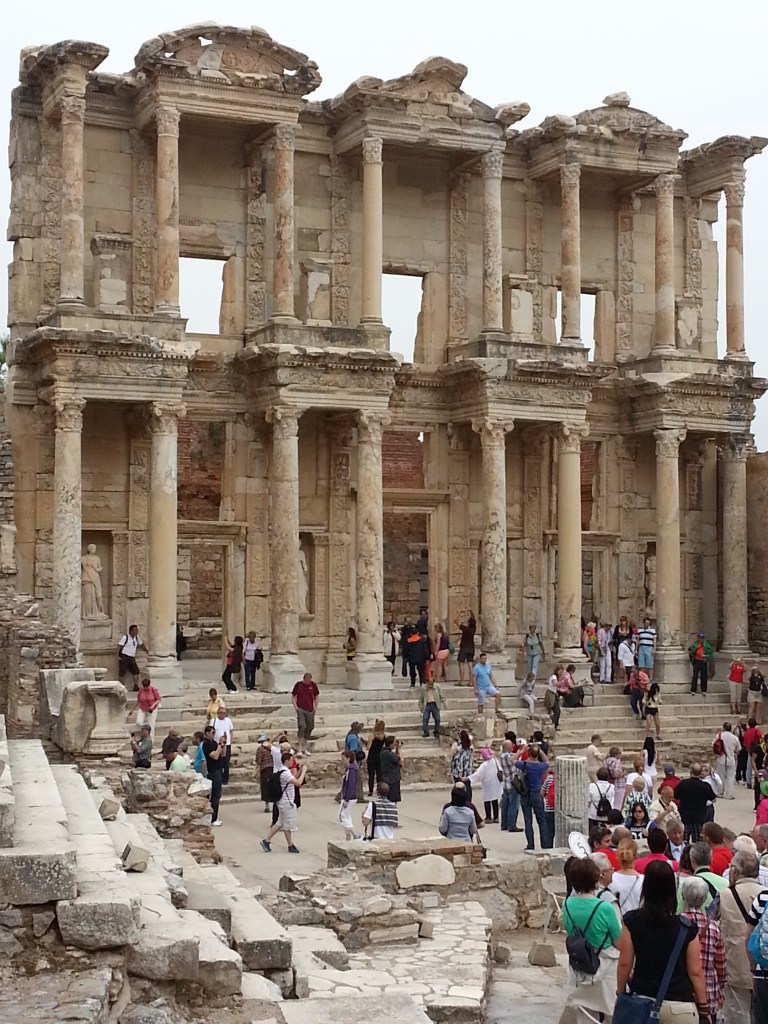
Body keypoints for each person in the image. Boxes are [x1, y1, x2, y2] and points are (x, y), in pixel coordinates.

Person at [618, 861, 708, 1024]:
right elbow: (695, 971)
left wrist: (620, 992)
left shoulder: (632, 921)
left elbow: (625, 963)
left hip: (643, 1002)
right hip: (679, 1006)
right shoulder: (686, 928)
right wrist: (703, 1006)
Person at [562, 857, 622, 1024]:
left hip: (581, 965)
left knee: (585, 1015)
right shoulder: (605, 908)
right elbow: (619, 942)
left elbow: (570, 931)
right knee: (612, 1013)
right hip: (606, 965)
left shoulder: (566, 904)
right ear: (596, 879)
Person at [717, 850, 765, 1024]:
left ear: (735, 871)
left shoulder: (724, 895)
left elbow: (709, 922)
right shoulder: (765, 894)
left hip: (734, 963)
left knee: (737, 1013)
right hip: (762, 964)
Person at [679, 876, 726, 1023]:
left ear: (683, 896)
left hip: (681, 992)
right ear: (705, 898)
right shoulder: (713, 928)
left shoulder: (676, 924)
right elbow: (721, 965)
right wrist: (721, 988)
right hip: (708, 991)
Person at [260, 750, 307, 854]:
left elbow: (294, 778)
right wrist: (303, 772)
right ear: (286, 761)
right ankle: (290, 845)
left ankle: (266, 841)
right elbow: (298, 783)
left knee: (279, 823)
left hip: (282, 802)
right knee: (287, 825)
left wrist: (299, 771)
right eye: (291, 760)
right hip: (287, 803)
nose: (292, 762)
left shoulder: (282, 771)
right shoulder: (285, 774)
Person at [513, 742, 550, 851]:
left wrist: (521, 751)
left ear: (528, 754)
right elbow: (547, 761)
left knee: (528, 820)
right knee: (542, 821)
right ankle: (545, 844)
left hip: (525, 794)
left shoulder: (525, 765)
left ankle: (530, 844)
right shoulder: (541, 766)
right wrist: (540, 750)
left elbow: (513, 760)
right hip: (537, 794)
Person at [673, 763, 715, 844]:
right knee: (698, 843)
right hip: (699, 818)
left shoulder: (683, 783)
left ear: (690, 772)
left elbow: (675, 797)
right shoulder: (705, 786)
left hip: (684, 817)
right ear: (700, 773)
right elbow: (713, 799)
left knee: (683, 842)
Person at [682, 842, 728, 911]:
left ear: (692, 860)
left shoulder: (685, 885)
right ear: (711, 859)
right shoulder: (726, 884)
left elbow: (680, 912)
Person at [466, 747, 503, 824]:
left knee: (487, 800)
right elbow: (500, 769)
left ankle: (488, 817)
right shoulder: (495, 761)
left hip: (487, 784)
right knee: (494, 799)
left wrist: (468, 778)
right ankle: (496, 817)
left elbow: (478, 774)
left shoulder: (484, 765)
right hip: (495, 783)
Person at [609, 838, 643, 916]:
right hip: (637, 923)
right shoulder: (643, 880)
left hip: (617, 922)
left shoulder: (610, 879)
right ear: (635, 856)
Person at [201, 724, 227, 827]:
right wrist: (220, 745)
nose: (214, 734)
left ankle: (214, 816)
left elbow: (222, 754)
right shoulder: (206, 744)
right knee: (215, 795)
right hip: (213, 771)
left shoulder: (214, 742)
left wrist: (223, 744)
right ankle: (213, 818)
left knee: (217, 794)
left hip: (219, 769)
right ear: (207, 733)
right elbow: (215, 756)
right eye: (212, 733)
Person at [291, 672, 319, 756]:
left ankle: (304, 746)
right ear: (304, 679)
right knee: (302, 726)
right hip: (301, 709)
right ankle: (299, 747)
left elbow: (317, 696)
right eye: (307, 680)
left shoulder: (313, 685)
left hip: (310, 709)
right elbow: (293, 696)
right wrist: (296, 707)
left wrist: (315, 707)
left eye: (309, 680)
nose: (308, 681)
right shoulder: (298, 685)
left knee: (310, 727)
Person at [499, 739, 523, 834]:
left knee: (505, 805)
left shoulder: (501, 755)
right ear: (508, 747)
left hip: (506, 783)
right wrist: (521, 751)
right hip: (513, 783)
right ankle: (511, 825)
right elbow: (515, 759)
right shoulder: (509, 756)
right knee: (513, 805)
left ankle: (504, 824)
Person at [713, 721, 741, 799]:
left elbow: (714, 745)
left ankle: (720, 792)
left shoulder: (719, 736)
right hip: (731, 759)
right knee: (730, 777)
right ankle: (729, 794)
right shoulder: (734, 738)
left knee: (720, 776)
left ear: (723, 728)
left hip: (721, 758)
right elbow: (739, 749)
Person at [117, 625, 147, 691]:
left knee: (136, 671)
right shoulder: (125, 637)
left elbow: (141, 644)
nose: (136, 631)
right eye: (135, 630)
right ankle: (121, 687)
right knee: (122, 672)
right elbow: (119, 646)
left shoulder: (136, 638)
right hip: (124, 656)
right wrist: (117, 656)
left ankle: (135, 686)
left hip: (132, 657)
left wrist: (146, 650)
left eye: (137, 630)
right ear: (131, 631)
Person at [339, 751, 360, 840]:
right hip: (350, 796)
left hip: (350, 797)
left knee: (342, 816)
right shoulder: (350, 769)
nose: (342, 760)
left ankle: (354, 833)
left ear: (348, 758)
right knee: (347, 815)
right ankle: (348, 836)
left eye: (343, 758)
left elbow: (351, 784)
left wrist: (346, 799)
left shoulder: (351, 770)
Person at [588, 767, 615, 832]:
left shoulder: (592, 786)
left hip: (593, 815)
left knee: (593, 834)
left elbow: (588, 800)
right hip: (607, 816)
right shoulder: (611, 787)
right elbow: (612, 800)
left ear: (597, 776)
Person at [212, 706, 234, 785]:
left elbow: (231, 731)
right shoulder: (214, 721)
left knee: (226, 762)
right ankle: (219, 778)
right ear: (218, 713)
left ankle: (225, 779)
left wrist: (230, 740)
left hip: (227, 744)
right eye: (222, 713)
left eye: (224, 713)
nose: (223, 714)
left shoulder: (228, 720)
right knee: (218, 762)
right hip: (217, 744)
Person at [688, 631, 713, 695]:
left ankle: (704, 690)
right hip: (696, 661)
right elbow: (690, 651)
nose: (701, 639)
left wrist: (706, 656)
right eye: (700, 638)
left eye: (702, 638)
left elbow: (710, 653)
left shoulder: (706, 644)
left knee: (704, 676)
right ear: (698, 638)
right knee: (695, 676)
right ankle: (693, 690)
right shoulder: (695, 644)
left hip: (703, 661)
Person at [380, 735, 402, 805]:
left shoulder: (384, 752)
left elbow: (395, 758)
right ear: (390, 744)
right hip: (392, 779)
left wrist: (396, 750)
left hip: (387, 778)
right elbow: (399, 759)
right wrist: (399, 749)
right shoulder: (388, 754)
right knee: (392, 800)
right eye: (394, 743)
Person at [456, 610, 476, 685]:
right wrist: (470, 611)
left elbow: (456, 621)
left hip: (464, 647)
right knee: (470, 665)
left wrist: (460, 613)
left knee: (461, 663)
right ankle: (471, 682)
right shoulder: (473, 629)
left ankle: (462, 681)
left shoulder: (465, 629)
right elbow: (473, 619)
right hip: (471, 647)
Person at [604, 746, 626, 811]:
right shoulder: (616, 762)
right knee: (618, 804)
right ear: (616, 754)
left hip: (609, 783)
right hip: (618, 785)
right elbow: (615, 775)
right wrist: (623, 773)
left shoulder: (606, 761)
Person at [367, 720, 385, 796]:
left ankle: (370, 791)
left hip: (372, 756)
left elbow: (368, 747)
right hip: (379, 756)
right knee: (379, 774)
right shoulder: (384, 736)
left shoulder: (372, 735)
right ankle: (379, 790)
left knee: (371, 774)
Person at [255, 733, 273, 813]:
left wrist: (256, 772)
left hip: (264, 769)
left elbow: (258, 761)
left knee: (265, 787)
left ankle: (267, 805)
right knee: (273, 787)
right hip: (273, 768)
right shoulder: (273, 748)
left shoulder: (260, 750)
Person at [636, 615, 657, 680]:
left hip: (649, 648)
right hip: (641, 647)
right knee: (641, 664)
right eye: (646, 623)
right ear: (644, 623)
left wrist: (654, 649)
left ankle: (650, 678)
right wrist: (636, 649)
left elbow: (654, 640)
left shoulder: (652, 631)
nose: (647, 624)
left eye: (648, 623)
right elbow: (637, 640)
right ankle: (642, 677)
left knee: (650, 664)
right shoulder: (640, 630)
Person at [597, 620, 613, 685]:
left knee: (609, 664)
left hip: (608, 648)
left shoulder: (610, 632)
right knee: (602, 664)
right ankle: (602, 678)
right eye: (608, 626)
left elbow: (610, 639)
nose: (609, 628)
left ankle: (608, 678)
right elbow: (599, 641)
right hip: (602, 647)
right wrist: (601, 650)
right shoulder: (600, 631)